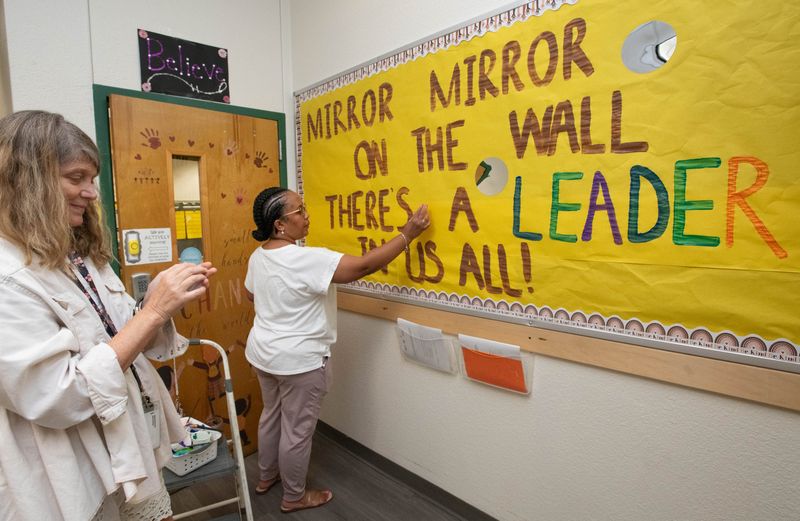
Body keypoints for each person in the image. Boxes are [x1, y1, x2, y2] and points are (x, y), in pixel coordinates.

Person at [0, 110, 217, 521]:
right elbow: (59, 395)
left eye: (92, 179)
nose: (90, 192)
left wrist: (157, 306)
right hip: (70, 474)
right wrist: (151, 312)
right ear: (28, 180)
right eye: (76, 177)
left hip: (129, 446)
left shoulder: (78, 256)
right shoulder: (7, 278)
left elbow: (118, 336)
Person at [244, 187, 430, 513]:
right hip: (299, 361)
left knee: (272, 416)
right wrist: (408, 234)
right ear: (280, 225)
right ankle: (294, 496)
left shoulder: (259, 256)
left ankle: (266, 477)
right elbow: (362, 267)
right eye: (299, 211)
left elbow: (251, 295)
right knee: (297, 431)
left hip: (263, 355)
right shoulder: (307, 259)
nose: (307, 216)